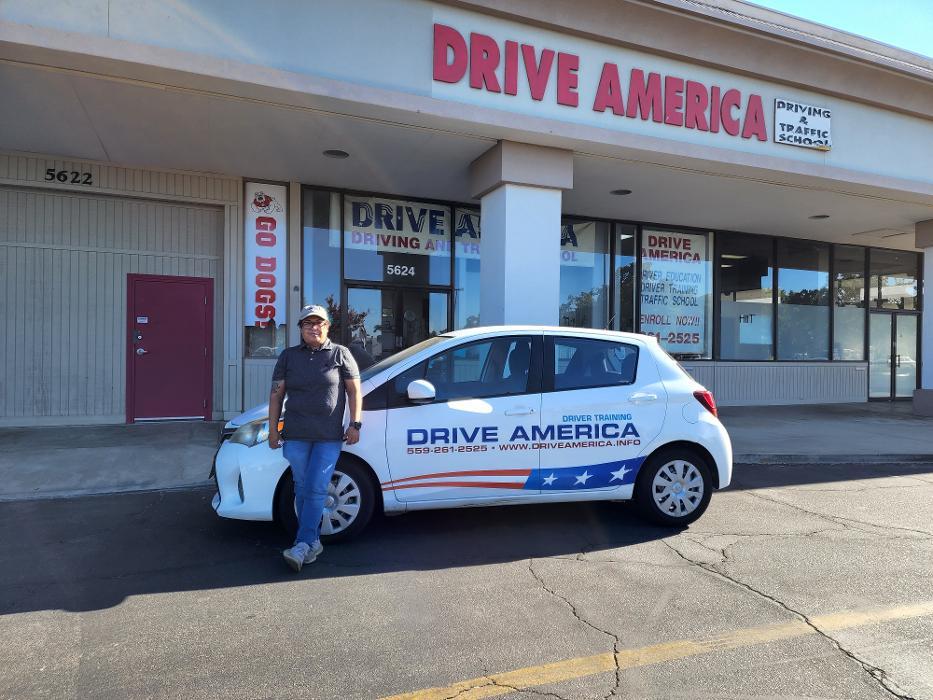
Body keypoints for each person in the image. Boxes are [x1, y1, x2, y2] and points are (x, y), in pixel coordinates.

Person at [269, 304, 362, 572]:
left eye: (319, 322)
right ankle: (313, 543)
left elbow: (354, 392)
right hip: (296, 435)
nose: (314, 327)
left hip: (327, 436)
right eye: (308, 323)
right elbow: (276, 395)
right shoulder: (288, 356)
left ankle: (302, 544)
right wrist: (273, 430)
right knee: (301, 487)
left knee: (317, 487)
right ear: (300, 328)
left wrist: (355, 423)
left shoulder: (340, 354)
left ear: (327, 326)